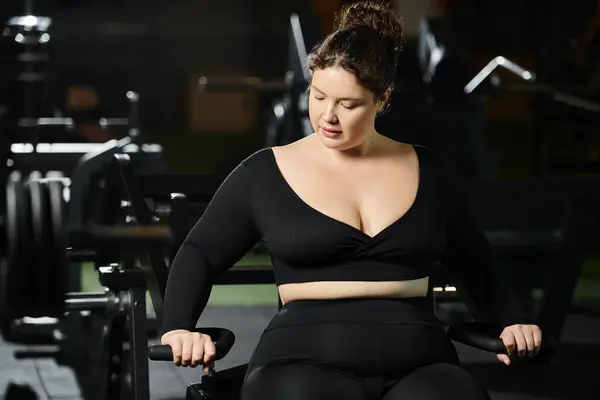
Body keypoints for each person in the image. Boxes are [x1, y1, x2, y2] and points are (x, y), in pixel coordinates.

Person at [160, 2, 543, 399]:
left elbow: (475, 258)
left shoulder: (427, 169)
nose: (328, 116)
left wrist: (512, 320)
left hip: (422, 362)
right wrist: (178, 327)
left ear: (383, 98)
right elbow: (200, 251)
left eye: (348, 104)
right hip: (301, 362)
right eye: (319, 95)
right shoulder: (264, 173)